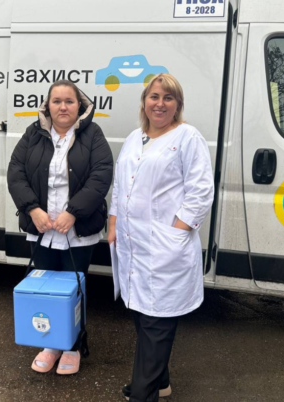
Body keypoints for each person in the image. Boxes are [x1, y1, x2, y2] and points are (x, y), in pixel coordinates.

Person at [107, 73, 214, 402]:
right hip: (132, 246)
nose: (160, 103)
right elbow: (120, 186)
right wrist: (113, 222)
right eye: (154, 96)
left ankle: (144, 393)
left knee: (156, 322)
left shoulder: (187, 137)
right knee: (142, 315)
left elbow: (200, 191)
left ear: (178, 105)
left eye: (168, 98)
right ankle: (160, 381)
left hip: (166, 248)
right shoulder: (134, 138)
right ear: (144, 102)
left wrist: (177, 232)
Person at [7, 80, 113, 375]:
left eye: (69, 101)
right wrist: (32, 209)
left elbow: (101, 176)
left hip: (76, 230)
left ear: (80, 105)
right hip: (41, 229)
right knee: (45, 291)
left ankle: (73, 346)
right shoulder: (33, 133)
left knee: (72, 290)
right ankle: (51, 344)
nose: (63, 107)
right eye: (57, 101)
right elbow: (16, 172)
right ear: (48, 106)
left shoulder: (93, 134)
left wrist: (73, 213)